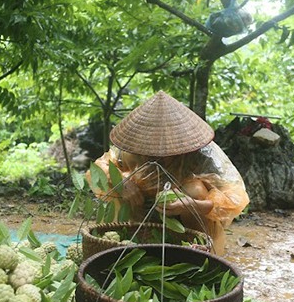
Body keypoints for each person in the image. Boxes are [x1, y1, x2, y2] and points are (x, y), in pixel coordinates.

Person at [88, 91, 250, 255]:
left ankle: (197, 253)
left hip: (188, 221)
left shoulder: (202, 154)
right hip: (143, 214)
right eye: (150, 150)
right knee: (117, 183)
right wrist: (122, 181)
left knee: (195, 190)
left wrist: (192, 205)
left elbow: (234, 199)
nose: (156, 156)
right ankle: (128, 244)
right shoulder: (132, 149)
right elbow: (100, 168)